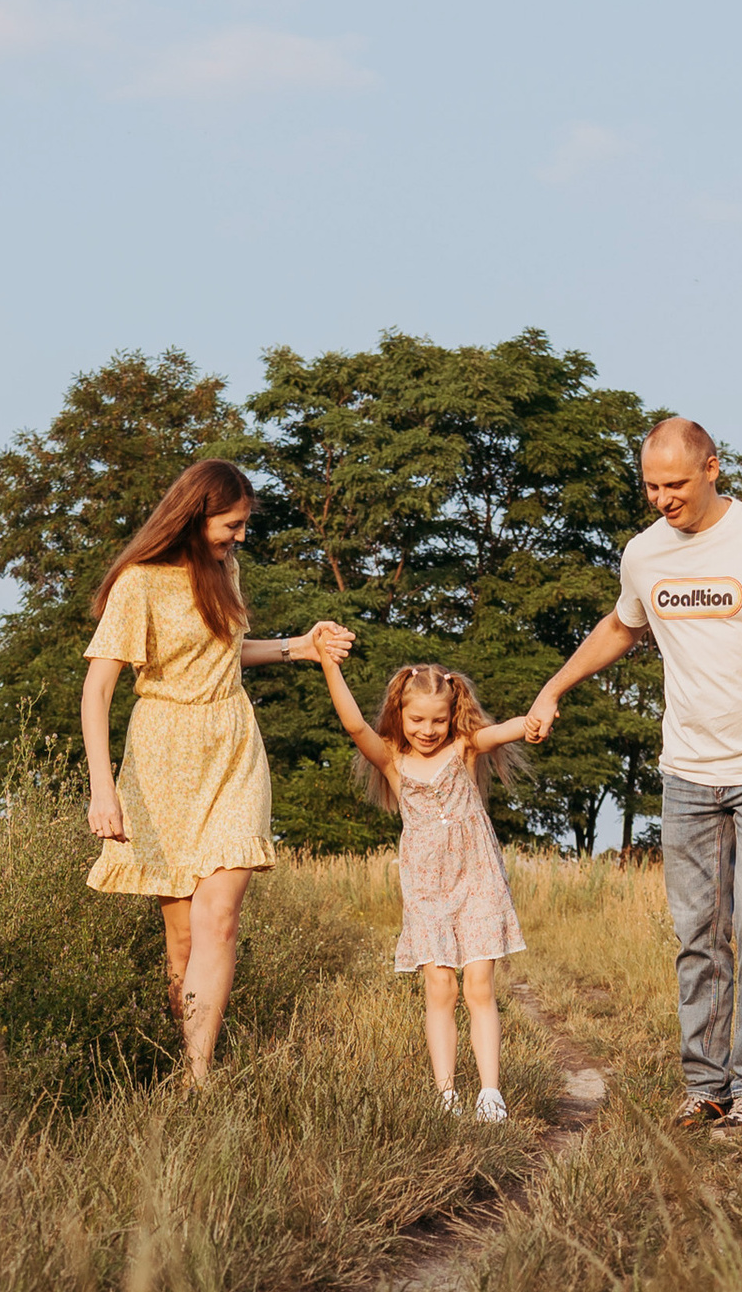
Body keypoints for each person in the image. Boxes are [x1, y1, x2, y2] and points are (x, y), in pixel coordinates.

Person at [525, 416, 742, 1135]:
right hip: (688, 773)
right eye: (651, 487)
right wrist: (553, 688)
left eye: (675, 484)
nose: (663, 498)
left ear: (712, 468)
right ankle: (706, 1086)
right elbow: (621, 625)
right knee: (698, 933)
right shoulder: (644, 553)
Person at [81, 460, 351, 1081]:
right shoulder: (139, 583)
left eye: (244, 524)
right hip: (163, 758)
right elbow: (97, 690)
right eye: (232, 524)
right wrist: (102, 789)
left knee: (219, 917)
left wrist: (301, 647)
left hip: (232, 748)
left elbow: (224, 656)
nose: (241, 536)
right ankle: (183, 1066)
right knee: (181, 939)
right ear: (194, 515)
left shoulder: (226, 570)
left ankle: (199, 1078)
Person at [315, 652, 535, 1119]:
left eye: (438, 719)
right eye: (417, 719)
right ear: (400, 713)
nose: (428, 730)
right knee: (441, 988)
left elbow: (503, 731)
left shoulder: (464, 749)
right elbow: (354, 726)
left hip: (477, 879)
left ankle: (490, 1094)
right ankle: (446, 1096)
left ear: (452, 715)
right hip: (426, 889)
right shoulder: (392, 760)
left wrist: (532, 722)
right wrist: (329, 665)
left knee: (479, 986)